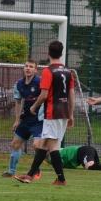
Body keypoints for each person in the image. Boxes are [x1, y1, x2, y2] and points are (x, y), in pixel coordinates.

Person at [15, 40, 75, 185]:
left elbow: (43, 95)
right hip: (63, 113)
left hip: (52, 113)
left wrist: (33, 107)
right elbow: (71, 95)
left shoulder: (48, 71)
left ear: (48, 53)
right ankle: (29, 175)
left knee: (52, 146)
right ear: (61, 54)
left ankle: (61, 179)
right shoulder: (68, 72)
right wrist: (71, 115)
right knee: (42, 144)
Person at [1, 59, 43, 179]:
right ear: (23, 68)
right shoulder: (19, 84)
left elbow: (46, 96)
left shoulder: (40, 82)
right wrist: (17, 120)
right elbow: (18, 103)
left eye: (31, 67)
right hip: (26, 120)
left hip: (39, 120)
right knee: (15, 144)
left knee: (37, 145)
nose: (28, 68)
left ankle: (36, 170)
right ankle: (11, 171)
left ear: (35, 70)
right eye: (26, 66)